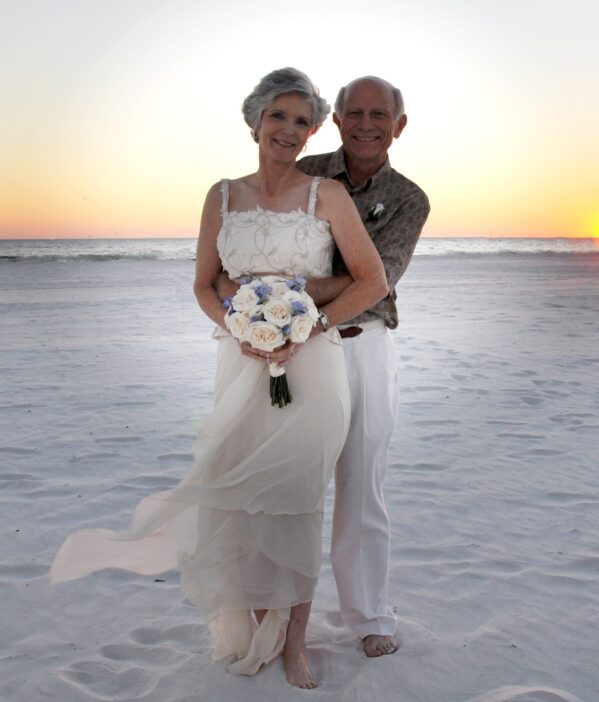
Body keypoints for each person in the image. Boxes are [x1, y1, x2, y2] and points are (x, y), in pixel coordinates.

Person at [50, 67, 388, 690]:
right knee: (239, 497)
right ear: (256, 120)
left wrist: (308, 326)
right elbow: (204, 285)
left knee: (295, 500)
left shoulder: (326, 197)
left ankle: (295, 644)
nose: (288, 130)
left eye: (300, 119)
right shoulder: (222, 196)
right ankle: (253, 622)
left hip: (312, 368)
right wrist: (239, 326)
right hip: (241, 364)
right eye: (277, 116)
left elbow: (373, 281)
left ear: (315, 129)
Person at [219, 75, 429, 658]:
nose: (366, 124)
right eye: (353, 112)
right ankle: (280, 622)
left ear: (399, 125)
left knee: (362, 484)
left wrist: (282, 290)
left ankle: (369, 616)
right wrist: (267, 310)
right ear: (333, 120)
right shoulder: (305, 171)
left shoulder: (409, 198)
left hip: (361, 343)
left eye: (378, 114)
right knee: (287, 485)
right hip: (291, 351)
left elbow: (378, 276)